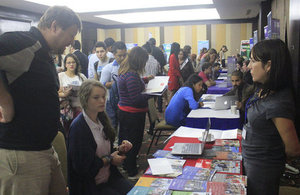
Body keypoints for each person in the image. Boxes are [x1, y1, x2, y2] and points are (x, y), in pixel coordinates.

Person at [0, 5, 81, 194]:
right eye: (70, 35)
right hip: (21, 153)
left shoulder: (43, 53)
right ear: (54, 26)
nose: (71, 42)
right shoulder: (25, 42)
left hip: (43, 148)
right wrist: (4, 100)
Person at [242, 39, 300, 195]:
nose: (248, 66)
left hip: (263, 168)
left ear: (268, 66)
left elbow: (293, 148)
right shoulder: (264, 88)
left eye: (253, 61)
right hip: (252, 159)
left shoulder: (279, 103)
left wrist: (273, 156)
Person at [67, 80, 133, 195]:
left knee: (136, 192)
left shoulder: (101, 119)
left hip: (108, 177)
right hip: (89, 185)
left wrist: (119, 150)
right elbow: (83, 168)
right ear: (85, 99)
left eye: (103, 96)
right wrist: (110, 159)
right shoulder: (79, 128)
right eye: (96, 98)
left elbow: (105, 151)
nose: (102, 101)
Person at [118, 46, 152, 178]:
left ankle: (127, 165)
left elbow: (132, 86)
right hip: (132, 114)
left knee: (126, 142)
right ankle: (132, 171)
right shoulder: (132, 74)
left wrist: (145, 80)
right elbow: (136, 99)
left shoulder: (126, 71)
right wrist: (152, 94)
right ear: (139, 61)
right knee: (133, 142)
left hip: (126, 112)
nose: (144, 64)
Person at [100, 41, 127, 130]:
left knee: (124, 126)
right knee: (112, 125)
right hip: (111, 101)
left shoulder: (129, 67)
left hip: (125, 100)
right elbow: (102, 85)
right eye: (120, 55)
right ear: (114, 54)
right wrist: (115, 83)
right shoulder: (108, 68)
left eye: (124, 55)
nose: (122, 58)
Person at [58, 53, 87, 134]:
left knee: (79, 131)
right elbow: (54, 92)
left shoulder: (81, 76)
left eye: (73, 62)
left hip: (79, 108)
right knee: (67, 131)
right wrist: (64, 94)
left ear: (76, 63)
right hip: (65, 110)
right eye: (69, 62)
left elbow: (88, 90)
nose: (71, 64)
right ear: (65, 65)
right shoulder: (60, 76)